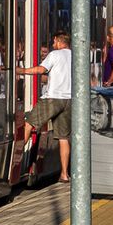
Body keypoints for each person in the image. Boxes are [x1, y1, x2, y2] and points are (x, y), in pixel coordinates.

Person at [17, 31, 76, 177]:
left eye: (53, 41)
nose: (52, 44)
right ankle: (64, 174)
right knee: (63, 137)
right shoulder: (75, 56)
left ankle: (15, 163)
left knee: (28, 124)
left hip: (53, 98)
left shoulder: (55, 54)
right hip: (69, 100)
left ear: (57, 40)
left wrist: (20, 70)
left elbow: (41, 70)